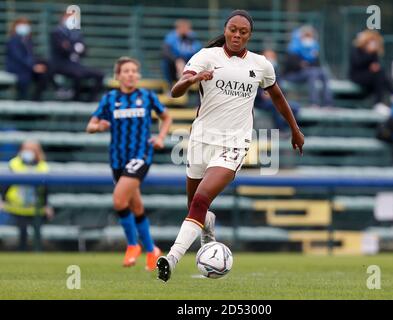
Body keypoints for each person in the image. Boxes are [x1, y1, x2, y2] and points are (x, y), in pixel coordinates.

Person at [156, 10, 304, 282]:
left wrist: (295, 129)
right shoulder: (205, 56)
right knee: (195, 206)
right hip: (200, 140)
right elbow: (176, 90)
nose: (237, 35)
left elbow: (278, 97)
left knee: (201, 199)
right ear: (225, 30)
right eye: (232, 29)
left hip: (234, 143)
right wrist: (191, 79)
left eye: (243, 32)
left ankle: (171, 258)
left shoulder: (261, 65)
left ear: (249, 35)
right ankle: (208, 229)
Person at [86, 56, 172, 270]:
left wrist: (160, 137)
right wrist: (99, 127)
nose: (131, 74)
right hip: (117, 158)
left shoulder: (147, 96)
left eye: (134, 70)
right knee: (135, 205)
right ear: (118, 76)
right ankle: (152, 251)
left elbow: (166, 117)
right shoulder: (110, 99)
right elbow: (90, 125)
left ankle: (133, 244)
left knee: (118, 200)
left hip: (140, 156)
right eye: (126, 71)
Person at [1, 141, 53, 251]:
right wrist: (3, 199)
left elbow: (46, 189)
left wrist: (46, 205)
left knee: (37, 231)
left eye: (31, 149)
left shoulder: (43, 166)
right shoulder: (14, 163)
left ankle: (38, 253)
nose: (28, 152)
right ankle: (22, 252)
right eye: (26, 149)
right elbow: (6, 184)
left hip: (35, 206)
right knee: (22, 230)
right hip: (17, 206)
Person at [50, 13, 104, 102]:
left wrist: (77, 49)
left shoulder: (76, 34)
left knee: (100, 74)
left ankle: (90, 100)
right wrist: (74, 48)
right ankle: (75, 99)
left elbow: (84, 51)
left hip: (76, 65)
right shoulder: (57, 33)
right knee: (78, 74)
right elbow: (63, 49)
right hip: (62, 64)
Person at [282, 25, 333, 108]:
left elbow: (317, 66)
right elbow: (290, 65)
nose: (308, 38)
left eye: (310, 36)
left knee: (323, 72)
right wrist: (300, 64)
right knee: (312, 73)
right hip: (292, 75)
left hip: (307, 73)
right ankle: (314, 103)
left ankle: (328, 103)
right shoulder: (293, 47)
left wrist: (313, 58)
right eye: (307, 36)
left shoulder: (313, 48)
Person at [349, 30, 393, 115]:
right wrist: (369, 54)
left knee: (381, 72)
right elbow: (357, 63)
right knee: (380, 74)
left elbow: (375, 65)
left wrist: (373, 58)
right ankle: (390, 95)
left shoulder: (374, 52)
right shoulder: (356, 49)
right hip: (357, 76)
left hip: (370, 78)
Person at [255, 49, 301, 133]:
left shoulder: (276, 72)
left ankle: (289, 129)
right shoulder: (255, 71)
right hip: (260, 102)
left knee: (295, 107)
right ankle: (280, 130)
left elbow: (280, 89)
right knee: (276, 106)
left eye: (272, 57)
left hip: (275, 99)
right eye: (267, 57)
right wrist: (262, 94)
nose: (270, 59)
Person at [5, 17, 50, 101]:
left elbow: (30, 56)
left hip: (26, 66)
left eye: (26, 25)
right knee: (26, 76)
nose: (24, 27)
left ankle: (36, 99)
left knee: (44, 68)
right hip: (17, 68)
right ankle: (22, 102)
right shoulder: (13, 40)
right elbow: (19, 58)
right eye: (21, 24)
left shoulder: (27, 40)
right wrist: (33, 66)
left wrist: (36, 65)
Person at [162, 19, 202, 88]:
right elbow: (165, 52)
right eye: (183, 28)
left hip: (189, 64)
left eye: (187, 28)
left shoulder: (192, 38)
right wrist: (176, 60)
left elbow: (198, 51)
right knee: (167, 63)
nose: (185, 30)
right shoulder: (171, 37)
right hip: (173, 66)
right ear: (178, 28)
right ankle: (170, 86)